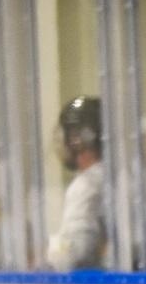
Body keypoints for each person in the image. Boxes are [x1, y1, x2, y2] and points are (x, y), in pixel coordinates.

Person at [46, 95, 108, 271]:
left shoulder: (86, 185)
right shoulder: (119, 176)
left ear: (79, 139)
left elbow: (77, 250)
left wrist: (45, 253)